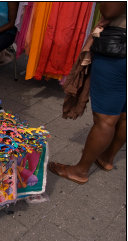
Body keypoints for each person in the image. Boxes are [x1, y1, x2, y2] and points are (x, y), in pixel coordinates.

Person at [49, 2, 126, 184]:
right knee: (123, 113)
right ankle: (107, 158)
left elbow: (110, 9)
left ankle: (80, 170)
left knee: (105, 119)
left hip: (119, 51)